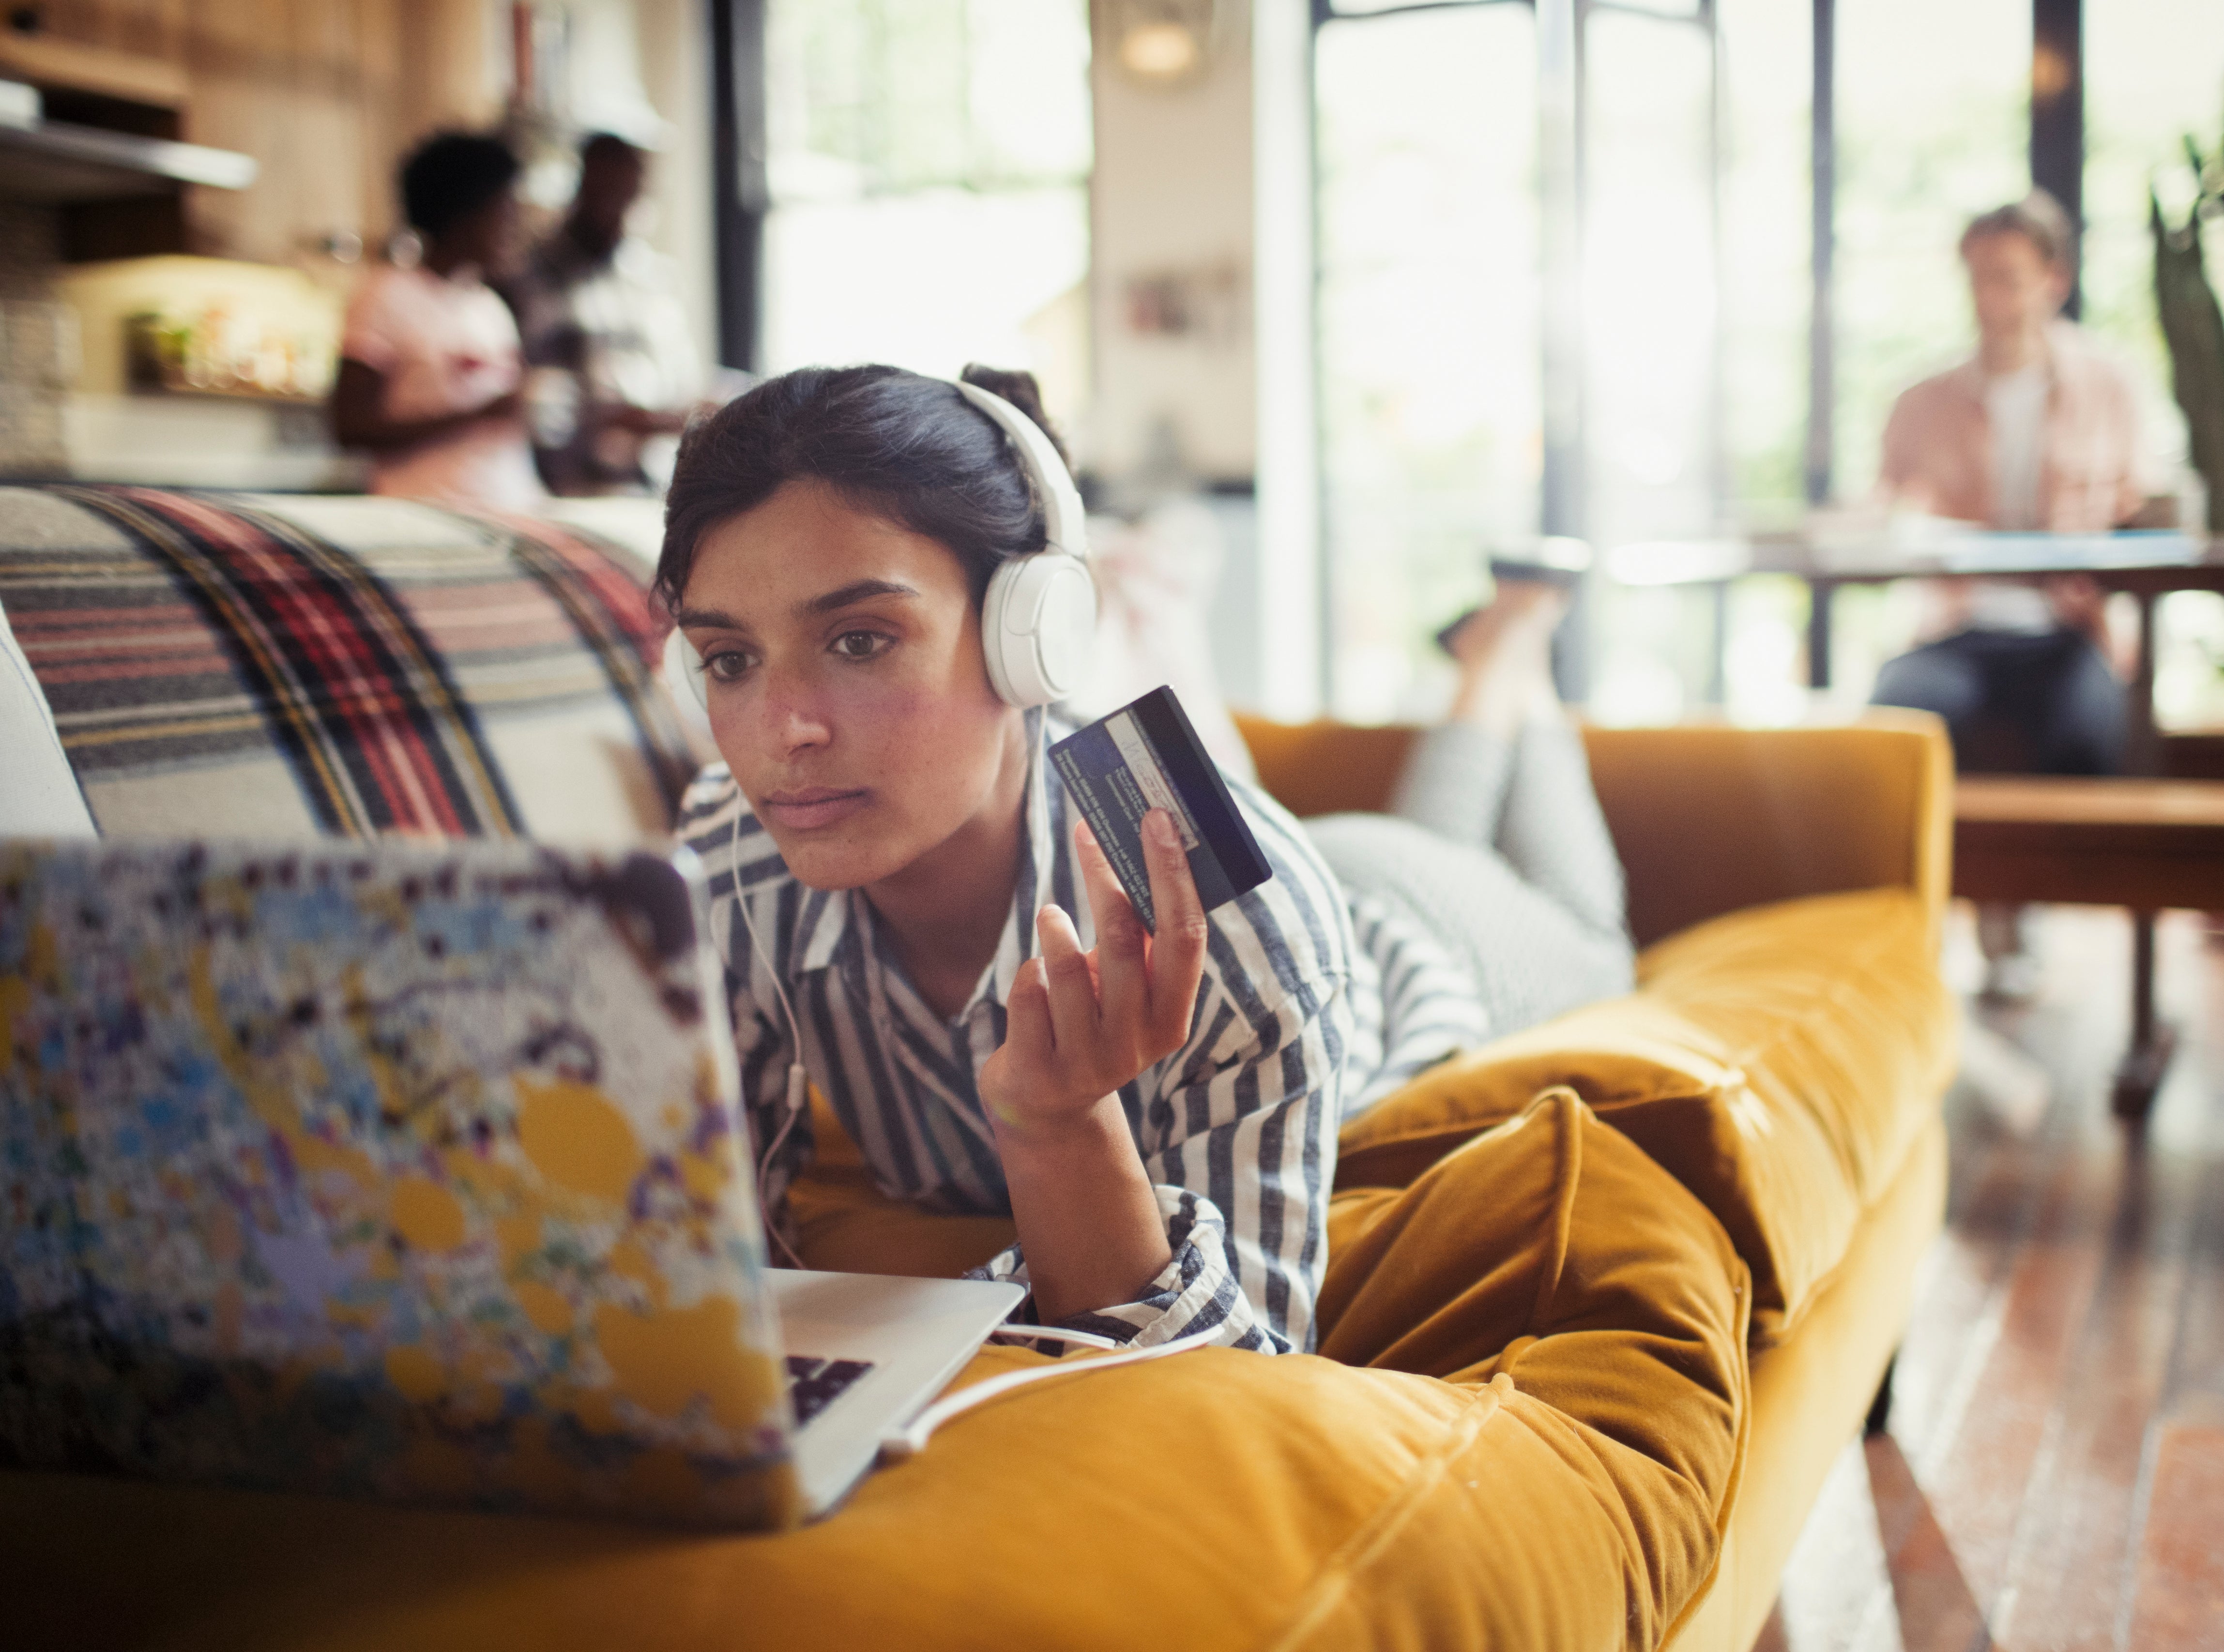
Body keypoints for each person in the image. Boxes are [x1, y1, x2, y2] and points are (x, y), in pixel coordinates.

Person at [660, 364, 1636, 1352]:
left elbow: (1235, 1382)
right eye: (730, 660)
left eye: (860, 640)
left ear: (1029, 635)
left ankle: (1511, 651)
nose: (784, 732)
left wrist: (1063, 1129)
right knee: (1447, 823)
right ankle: (1494, 664)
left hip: (1421, 933)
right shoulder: (723, 862)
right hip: (1331, 866)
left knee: (1589, 928)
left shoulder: (1241, 917)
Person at [1869, 190, 2156, 994]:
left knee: (2085, 734)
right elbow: (1883, 513)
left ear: (2052, 280)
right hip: (1956, 625)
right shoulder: (1920, 400)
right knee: (1894, 730)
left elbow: (2146, 512)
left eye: (2007, 277)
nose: (1989, 296)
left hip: (2071, 630)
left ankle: (2017, 916)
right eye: (1977, 278)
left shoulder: (2112, 388)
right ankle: (1898, 937)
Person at [330, 132, 542, 508]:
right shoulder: (385, 295)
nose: (516, 226)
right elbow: (350, 426)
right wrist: (476, 415)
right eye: (506, 210)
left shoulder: (489, 306)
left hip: (511, 513)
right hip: (427, 521)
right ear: (465, 211)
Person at [507, 132, 706, 495]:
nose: (621, 204)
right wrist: (623, 419)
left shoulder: (656, 279)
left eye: (633, 191)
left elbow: (680, 380)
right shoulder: (530, 277)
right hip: (568, 487)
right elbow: (533, 397)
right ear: (583, 184)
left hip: (653, 486)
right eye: (610, 189)